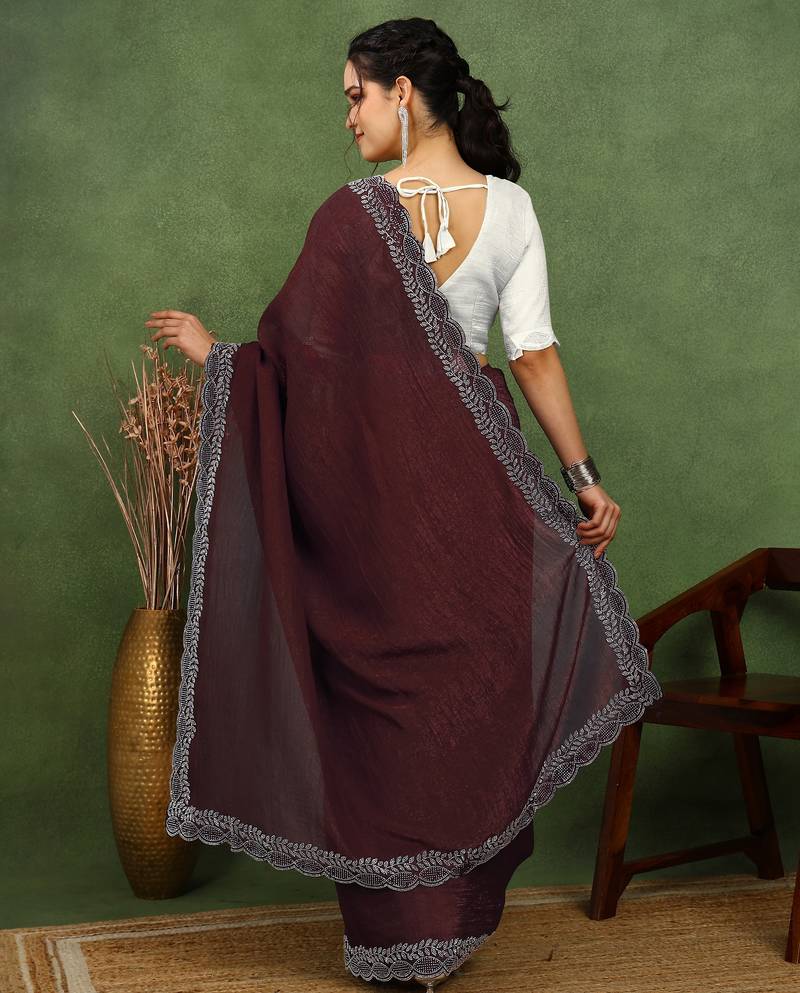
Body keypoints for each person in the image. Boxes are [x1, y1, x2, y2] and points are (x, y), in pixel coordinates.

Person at [147, 17, 663, 992]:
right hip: (463, 486)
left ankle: (405, 941)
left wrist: (222, 361)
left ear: (402, 93)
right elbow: (532, 354)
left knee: (389, 705)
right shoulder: (506, 208)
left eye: (355, 95)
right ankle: (438, 931)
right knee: (457, 692)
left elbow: (298, 370)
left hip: (390, 498)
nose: (347, 117)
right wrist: (582, 476)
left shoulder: (353, 215)